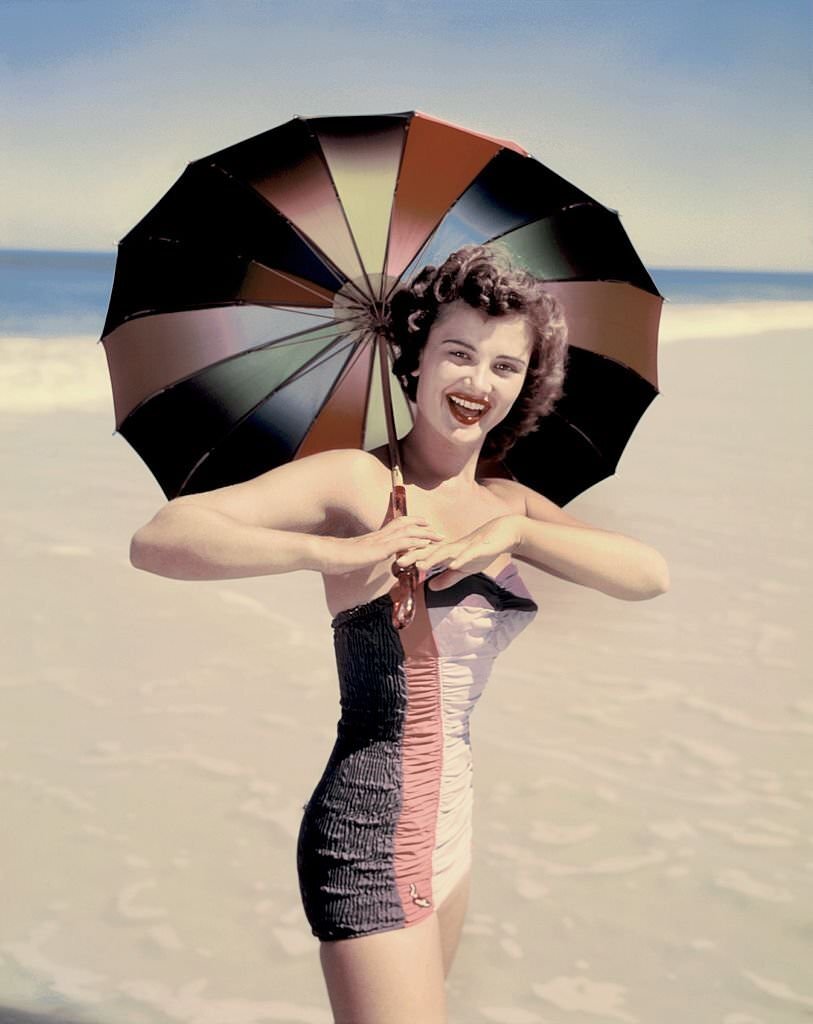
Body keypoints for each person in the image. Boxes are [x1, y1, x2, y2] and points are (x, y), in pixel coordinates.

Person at [130, 244, 670, 1024]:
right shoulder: (356, 480)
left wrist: (512, 537)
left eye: (503, 366)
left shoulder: (509, 501)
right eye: (457, 354)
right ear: (414, 358)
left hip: (453, 820)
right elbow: (161, 538)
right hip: (368, 825)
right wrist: (339, 551)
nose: (476, 383)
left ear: (527, 384)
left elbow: (646, 575)